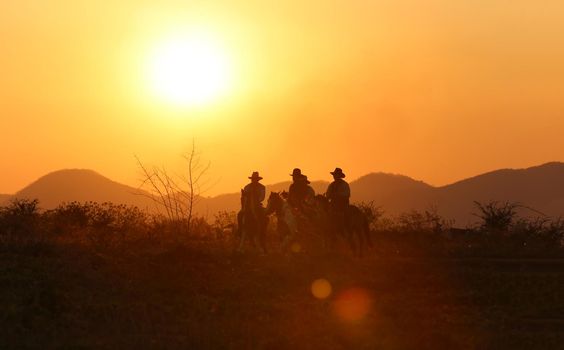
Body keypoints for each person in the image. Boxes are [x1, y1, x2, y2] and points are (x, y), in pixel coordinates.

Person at [325, 167, 350, 233]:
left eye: (336, 175)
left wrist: (336, 195)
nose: (335, 177)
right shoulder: (331, 185)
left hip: (343, 204)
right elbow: (327, 194)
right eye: (334, 175)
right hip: (333, 204)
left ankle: (346, 227)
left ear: (339, 176)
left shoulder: (344, 185)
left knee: (345, 215)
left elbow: (346, 195)